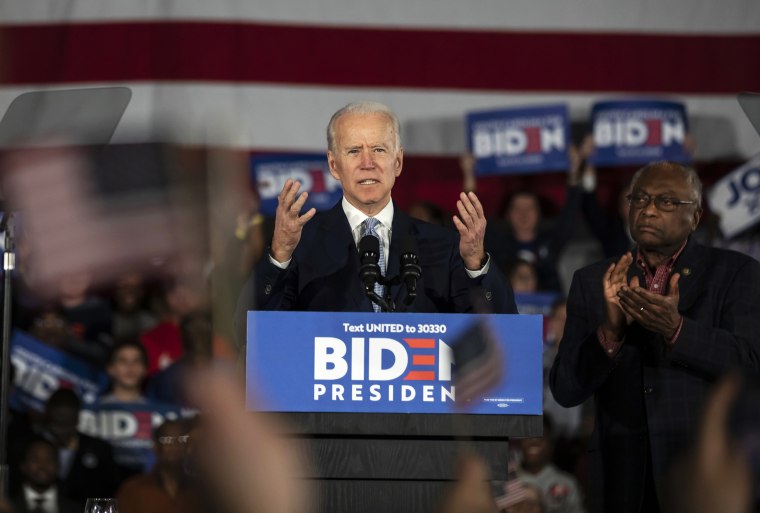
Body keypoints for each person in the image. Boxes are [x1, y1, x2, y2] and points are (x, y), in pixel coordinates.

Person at [549, 161, 760, 513]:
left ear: (694, 217)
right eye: (640, 199)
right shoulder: (592, 280)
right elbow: (567, 389)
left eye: (666, 201)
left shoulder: (736, 273)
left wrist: (677, 330)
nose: (648, 209)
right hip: (621, 481)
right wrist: (610, 333)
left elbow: (752, 365)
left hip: (703, 476)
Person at [236, 101, 516, 325]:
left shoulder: (444, 245)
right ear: (334, 165)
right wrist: (280, 257)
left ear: (398, 162)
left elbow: (501, 333)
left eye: (379, 150)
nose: (367, 163)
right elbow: (248, 331)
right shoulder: (299, 243)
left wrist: (476, 265)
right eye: (354, 151)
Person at [115, 419, 196, 513]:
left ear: (188, 447)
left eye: (181, 440)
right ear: (156, 447)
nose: (174, 445)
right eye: (167, 440)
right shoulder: (133, 489)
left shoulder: (202, 491)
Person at [9, 437, 80, 513]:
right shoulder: (7, 506)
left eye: (49, 459)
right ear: (23, 465)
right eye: (35, 459)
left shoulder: (77, 509)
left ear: (59, 465)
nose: (42, 466)